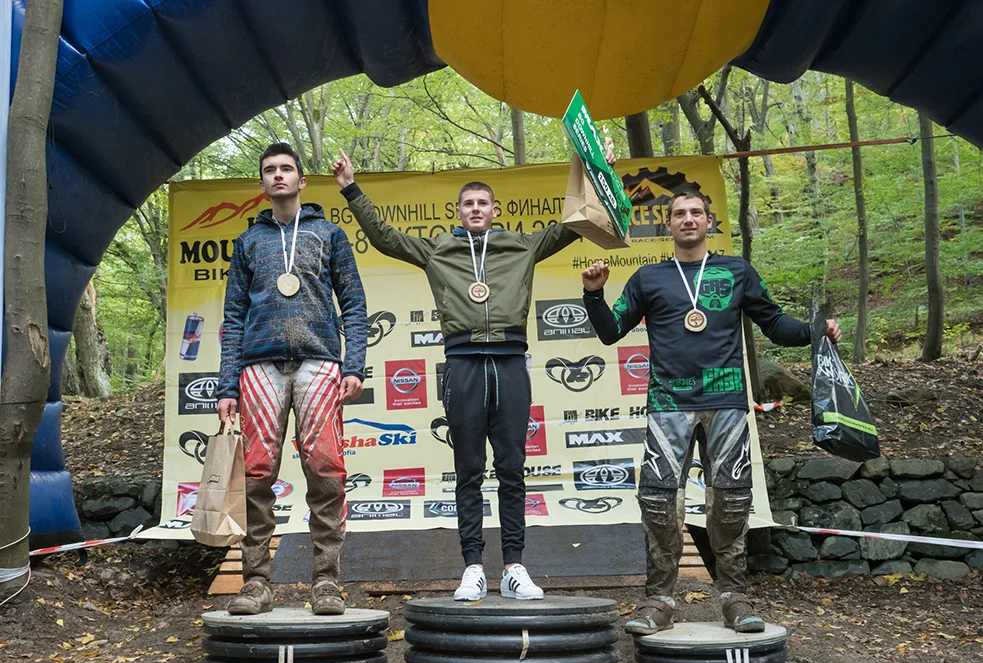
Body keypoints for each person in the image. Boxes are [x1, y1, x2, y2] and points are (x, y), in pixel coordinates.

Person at [332, 142, 615, 601]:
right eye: (469, 203)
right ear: (459, 212)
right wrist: (350, 188)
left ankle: (515, 567)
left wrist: (600, 173)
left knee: (512, 469)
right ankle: (473, 568)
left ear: (495, 210)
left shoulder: (522, 245)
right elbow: (384, 237)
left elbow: (575, 223)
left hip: (510, 364)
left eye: (483, 202)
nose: (476, 208)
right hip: (463, 364)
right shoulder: (438, 250)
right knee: (467, 470)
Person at [582, 189, 841, 633]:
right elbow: (610, 331)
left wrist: (816, 331)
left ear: (709, 221)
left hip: (726, 402)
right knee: (658, 500)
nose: (688, 219)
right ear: (668, 224)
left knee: (732, 499)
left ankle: (734, 597)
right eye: (679, 213)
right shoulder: (648, 277)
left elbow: (775, 324)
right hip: (669, 403)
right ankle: (659, 600)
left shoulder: (736, 271)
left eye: (696, 212)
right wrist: (593, 294)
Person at [216, 142, 368, 616]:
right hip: (259, 366)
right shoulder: (248, 242)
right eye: (270, 170)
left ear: (301, 181)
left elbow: (355, 304)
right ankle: (256, 581)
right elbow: (232, 318)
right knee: (256, 473)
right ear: (262, 183)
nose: (278, 175)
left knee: (325, 470)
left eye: (286, 169)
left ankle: (326, 582)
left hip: (319, 362)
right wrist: (226, 385)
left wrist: (354, 364)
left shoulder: (329, 234)